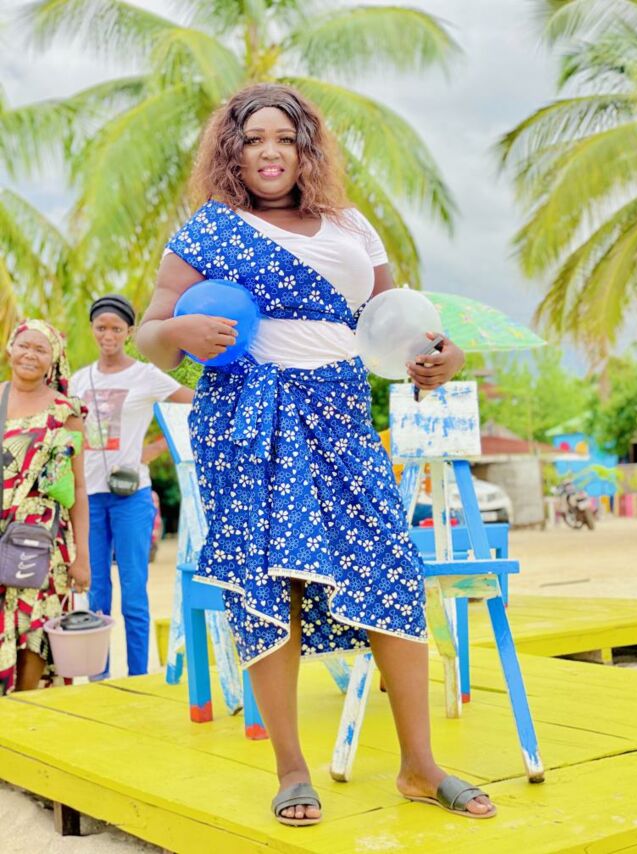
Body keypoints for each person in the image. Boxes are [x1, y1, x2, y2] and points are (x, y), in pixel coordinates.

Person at [137, 83, 496, 824]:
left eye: (285, 138)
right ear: (232, 151)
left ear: (306, 149)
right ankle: (292, 769)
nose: (269, 152)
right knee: (275, 583)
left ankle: (419, 767)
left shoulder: (351, 226)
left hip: (340, 415)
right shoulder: (209, 230)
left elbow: (394, 323)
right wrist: (177, 333)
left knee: (391, 567)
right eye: (253, 139)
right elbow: (150, 332)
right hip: (250, 421)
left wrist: (442, 354)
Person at [69, 295, 193, 678]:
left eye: (116, 328)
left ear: (129, 332)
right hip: (89, 499)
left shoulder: (145, 375)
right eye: (101, 327)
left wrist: (153, 449)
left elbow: (193, 404)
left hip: (131, 497)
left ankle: (139, 676)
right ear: (93, 329)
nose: (108, 335)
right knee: (96, 594)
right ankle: (99, 678)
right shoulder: (78, 380)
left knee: (134, 593)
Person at [0, 319, 90, 696]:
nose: (30, 354)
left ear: (54, 360)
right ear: (10, 349)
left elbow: (79, 487)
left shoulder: (65, 412)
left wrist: (82, 557)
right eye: (24, 345)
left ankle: (25, 706)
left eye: (41, 349)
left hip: (43, 541)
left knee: (36, 626)